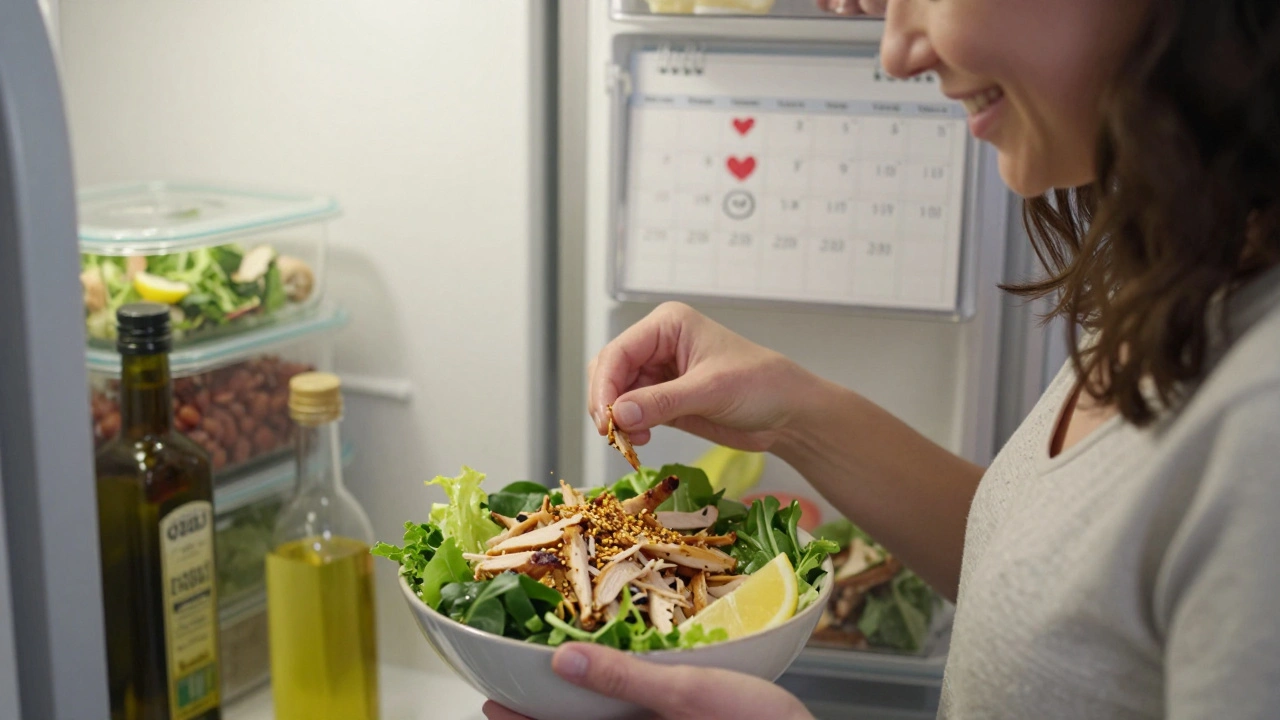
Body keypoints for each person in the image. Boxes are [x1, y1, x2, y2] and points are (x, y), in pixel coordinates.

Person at [487, 0, 1280, 717]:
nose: (897, 52)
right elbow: (1052, 584)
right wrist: (792, 411)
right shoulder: (1198, 275)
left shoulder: (1263, 421)